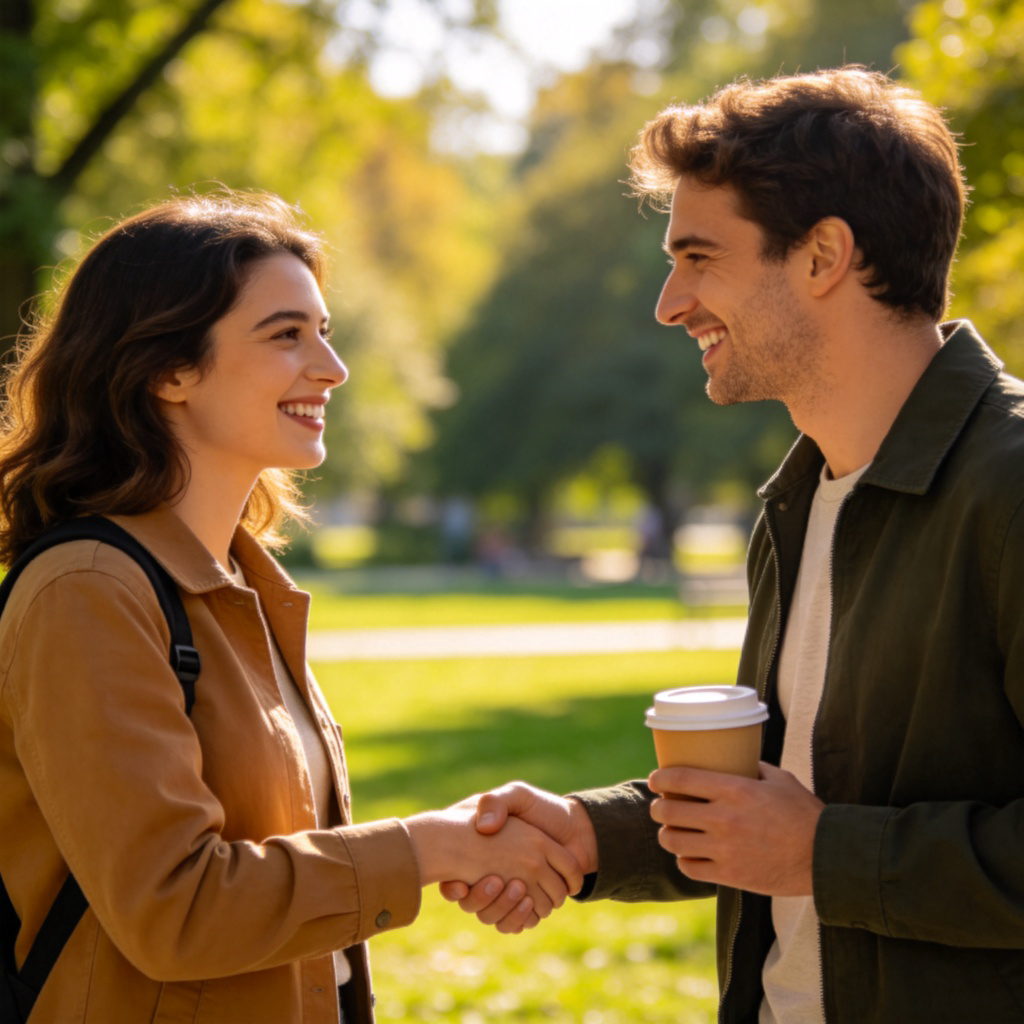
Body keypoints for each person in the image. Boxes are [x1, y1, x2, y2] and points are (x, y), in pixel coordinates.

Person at [443, 66, 1024, 1022]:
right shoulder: (803, 499)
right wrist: (594, 836)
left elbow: (808, 837)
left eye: (700, 257)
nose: (671, 304)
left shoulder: (1011, 487)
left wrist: (821, 854)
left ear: (823, 255)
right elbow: (784, 806)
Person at [0, 190, 582, 1024]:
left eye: (325, 331)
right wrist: (426, 848)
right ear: (168, 369)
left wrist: (445, 850)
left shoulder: (242, 582)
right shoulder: (88, 591)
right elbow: (176, 910)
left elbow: (282, 860)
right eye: (285, 335)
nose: (332, 368)